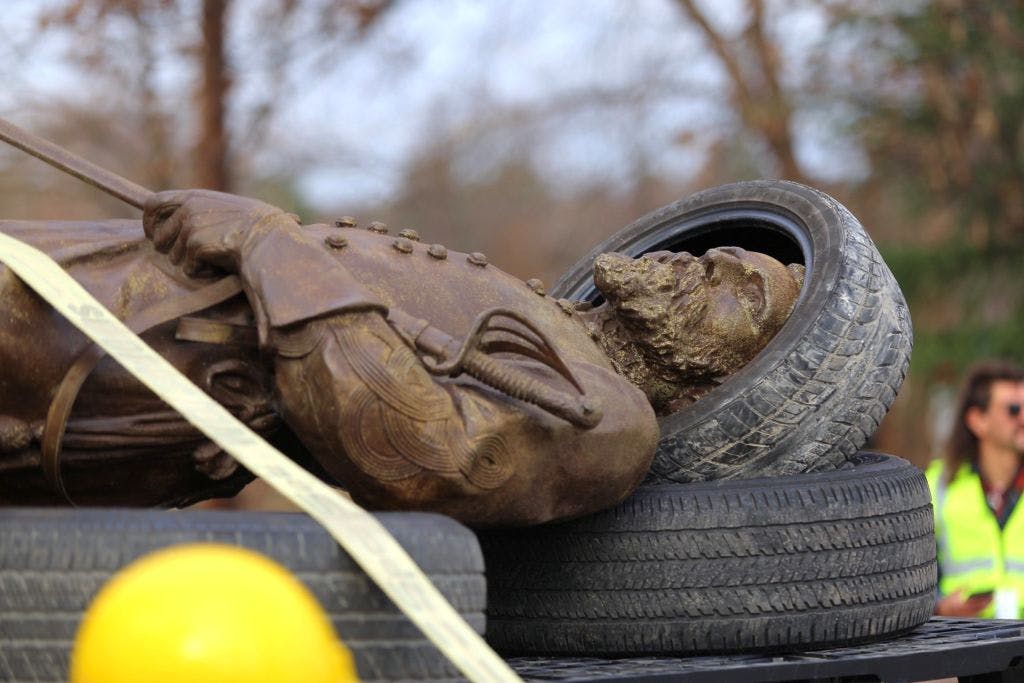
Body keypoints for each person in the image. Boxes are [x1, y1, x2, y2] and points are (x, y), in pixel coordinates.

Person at [0, 190, 802, 527]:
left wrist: (266, 243)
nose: (714, 260)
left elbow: (427, 456)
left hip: (117, 377)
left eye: (746, 295)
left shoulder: (616, 419)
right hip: (107, 284)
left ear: (729, 377)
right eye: (731, 251)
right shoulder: (558, 321)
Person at [927, 360, 1024, 617]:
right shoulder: (938, 484)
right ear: (977, 420)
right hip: (964, 643)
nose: (1023, 417)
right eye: (1013, 409)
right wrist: (937, 607)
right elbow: (902, 569)